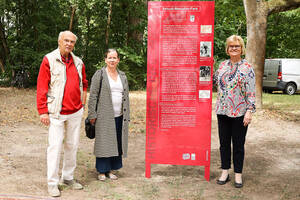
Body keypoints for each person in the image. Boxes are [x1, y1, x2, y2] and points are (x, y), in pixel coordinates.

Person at [36, 30, 88, 197]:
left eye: (72, 42)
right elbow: (42, 87)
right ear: (59, 41)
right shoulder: (49, 59)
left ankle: (68, 177)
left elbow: (84, 84)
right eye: (66, 40)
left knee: (72, 146)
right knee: (55, 147)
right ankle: (52, 183)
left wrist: (82, 103)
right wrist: (43, 111)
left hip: (75, 112)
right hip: (56, 113)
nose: (69, 44)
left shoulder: (79, 62)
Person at [214, 35, 255, 188]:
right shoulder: (222, 65)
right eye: (231, 46)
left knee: (238, 145)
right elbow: (213, 82)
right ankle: (225, 171)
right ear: (227, 48)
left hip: (239, 112)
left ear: (241, 49)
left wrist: (249, 111)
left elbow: (251, 92)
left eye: (237, 46)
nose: (234, 48)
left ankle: (238, 174)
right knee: (224, 144)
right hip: (222, 111)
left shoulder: (247, 68)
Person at [88, 48, 130, 181]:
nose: (112, 60)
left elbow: (126, 96)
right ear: (105, 59)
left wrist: (127, 115)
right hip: (103, 115)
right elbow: (93, 95)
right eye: (109, 58)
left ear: (118, 60)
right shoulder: (99, 74)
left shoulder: (122, 76)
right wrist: (92, 114)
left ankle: (112, 169)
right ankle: (101, 171)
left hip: (119, 116)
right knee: (103, 142)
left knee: (117, 142)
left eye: (114, 58)